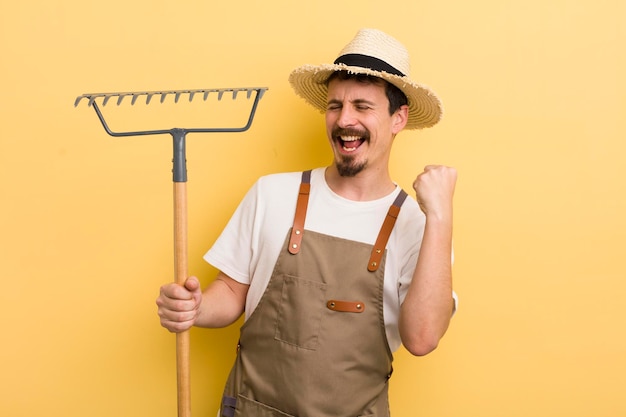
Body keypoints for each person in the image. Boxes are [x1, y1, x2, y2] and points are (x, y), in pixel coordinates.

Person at [157, 28, 458, 417]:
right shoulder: (272, 194)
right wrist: (195, 308)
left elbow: (422, 338)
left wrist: (441, 215)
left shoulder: (421, 226)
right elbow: (232, 293)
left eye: (362, 106)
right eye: (335, 105)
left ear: (398, 118)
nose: (344, 120)